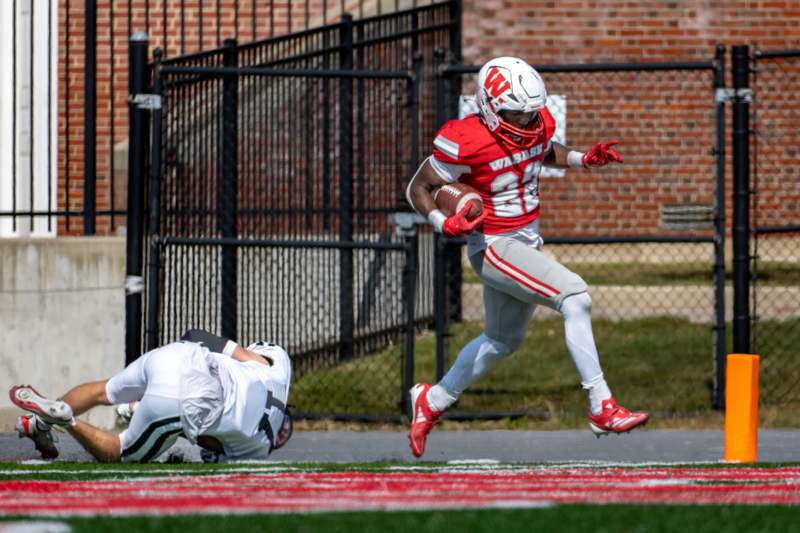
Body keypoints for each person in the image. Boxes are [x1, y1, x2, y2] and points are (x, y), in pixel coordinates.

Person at [405, 56, 649, 458]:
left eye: (529, 112)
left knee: (502, 340)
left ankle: (432, 401)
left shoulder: (536, 123)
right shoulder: (464, 140)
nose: (524, 121)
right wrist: (439, 222)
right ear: (488, 106)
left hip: (526, 241)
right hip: (495, 245)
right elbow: (418, 185)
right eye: (515, 113)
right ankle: (601, 405)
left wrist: (581, 159)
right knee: (575, 298)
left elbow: (543, 150)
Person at [9, 329, 292, 463]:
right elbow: (205, 438)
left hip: (182, 353)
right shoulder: (258, 448)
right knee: (120, 452)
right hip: (192, 397)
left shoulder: (278, 367)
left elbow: (219, 344)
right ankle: (65, 418)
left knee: (104, 391)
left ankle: (39, 421)